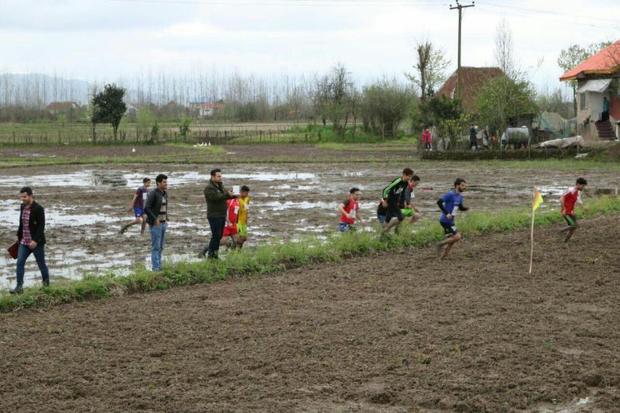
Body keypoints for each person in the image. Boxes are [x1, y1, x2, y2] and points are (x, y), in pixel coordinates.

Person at [10, 187, 50, 294]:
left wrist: (35, 241)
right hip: (24, 242)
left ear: (30, 196)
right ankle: (19, 287)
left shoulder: (39, 208)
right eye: (21, 197)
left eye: (24, 197)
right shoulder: (22, 206)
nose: (22, 199)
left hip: (36, 243)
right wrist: (19, 237)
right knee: (19, 263)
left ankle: (46, 286)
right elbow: (21, 223)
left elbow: (41, 226)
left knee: (41, 264)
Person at [201, 168, 236, 259]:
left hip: (221, 215)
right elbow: (217, 197)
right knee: (216, 236)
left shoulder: (220, 186)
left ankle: (214, 255)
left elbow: (225, 196)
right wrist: (228, 194)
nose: (220, 178)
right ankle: (212, 255)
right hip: (214, 215)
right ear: (212, 177)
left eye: (221, 176)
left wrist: (235, 195)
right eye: (218, 176)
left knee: (218, 236)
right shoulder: (209, 188)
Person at [436, 178, 469, 259]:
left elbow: (460, 207)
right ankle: (440, 244)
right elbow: (439, 202)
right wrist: (447, 213)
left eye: (465, 185)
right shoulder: (450, 194)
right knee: (457, 236)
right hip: (445, 220)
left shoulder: (460, 197)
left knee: (453, 239)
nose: (464, 187)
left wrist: (466, 209)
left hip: (451, 221)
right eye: (462, 185)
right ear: (457, 186)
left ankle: (442, 257)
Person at [144, 174, 168, 271]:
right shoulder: (153, 193)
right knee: (156, 247)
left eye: (166, 182)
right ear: (158, 183)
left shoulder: (165, 193)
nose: (166, 184)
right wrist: (155, 219)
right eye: (164, 182)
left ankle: (159, 266)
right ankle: (155, 268)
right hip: (155, 224)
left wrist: (167, 217)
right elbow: (146, 208)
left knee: (161, 247)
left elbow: (164, 207)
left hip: (163, 223)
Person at [381, 168, 414, 235]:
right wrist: (385, 200)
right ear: (404, 174)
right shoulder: (398, 181)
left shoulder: (406, 183)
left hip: (396, 201)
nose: (410, 178)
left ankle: (383, 234)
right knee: (401, 217)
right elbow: (385, 190)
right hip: (391, 201)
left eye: (411, 176)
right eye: (409, 176)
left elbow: (403, 193)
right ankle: (386, 231)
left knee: (388, 218)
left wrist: (406, 203)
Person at [560, 177, 587, 242]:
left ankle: (565, 242)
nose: (583, 187)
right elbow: (561, 199)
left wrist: (584, 208)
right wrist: (563, 209)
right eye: (582, 186)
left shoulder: (578, 192)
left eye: (584, 186)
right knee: (574, 225)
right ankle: (559, 231)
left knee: (573, 228)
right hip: (566, 212)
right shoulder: (570, 190)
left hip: (571, 212)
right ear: (578, 184)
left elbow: (579, 201)